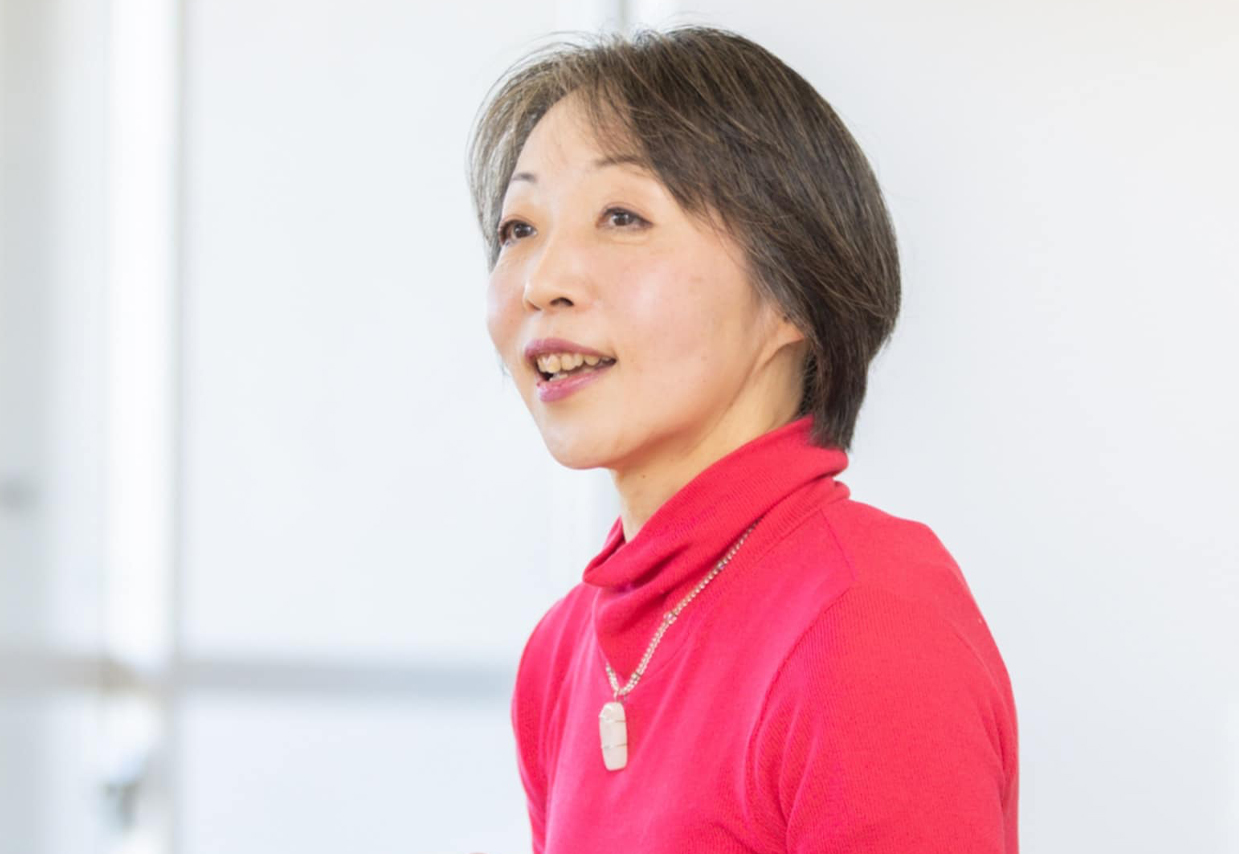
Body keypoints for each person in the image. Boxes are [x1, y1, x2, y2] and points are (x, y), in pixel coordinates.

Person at [467, 24, 1018, 853]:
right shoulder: (563, 652)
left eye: (622, 216)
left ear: (792, 288)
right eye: (518, 229)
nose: (542, 281)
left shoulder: (864, 617)